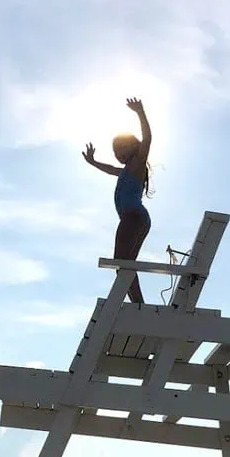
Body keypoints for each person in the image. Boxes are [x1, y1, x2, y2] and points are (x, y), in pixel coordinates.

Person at [82, 96, 153, 304]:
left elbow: (148, 139)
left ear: (133, 146)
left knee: (122, 262)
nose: (118, 154)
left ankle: (138, 304)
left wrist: (140, 112)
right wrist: (93, 162)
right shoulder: (124, 170)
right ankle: (139, 305)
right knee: (125, 264)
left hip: (134, 217)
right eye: (115, 152)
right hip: (135, 218)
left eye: (122, 148)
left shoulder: (138, 164)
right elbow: (110, 169)